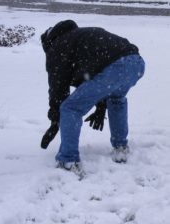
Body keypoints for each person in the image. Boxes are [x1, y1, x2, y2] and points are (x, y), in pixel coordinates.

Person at [40, 20, 145, 177]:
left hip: (115, 67)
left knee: (70, 108)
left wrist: (56, 118)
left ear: (49, 42)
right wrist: (101, 104)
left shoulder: (58, 47)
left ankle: (68, 161)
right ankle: (120, 147)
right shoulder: (81, 36)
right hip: (136, 63)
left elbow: (58, 88)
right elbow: (94, 73)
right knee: (117, 99)